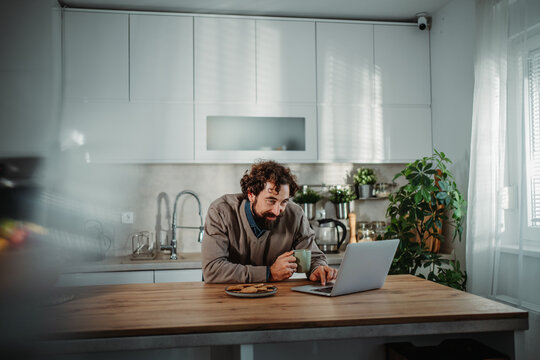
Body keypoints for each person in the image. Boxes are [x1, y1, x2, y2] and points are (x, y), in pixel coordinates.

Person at [201, 160, 337, 285]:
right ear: (251, 194)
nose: (277, 211)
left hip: (275, 300)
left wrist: (317, 269)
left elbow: (313, 256)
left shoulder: (295, 214)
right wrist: (269, 273)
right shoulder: (221, 211)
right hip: (225, 298)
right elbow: (212, 270)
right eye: (271, 201)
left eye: (284, 202)